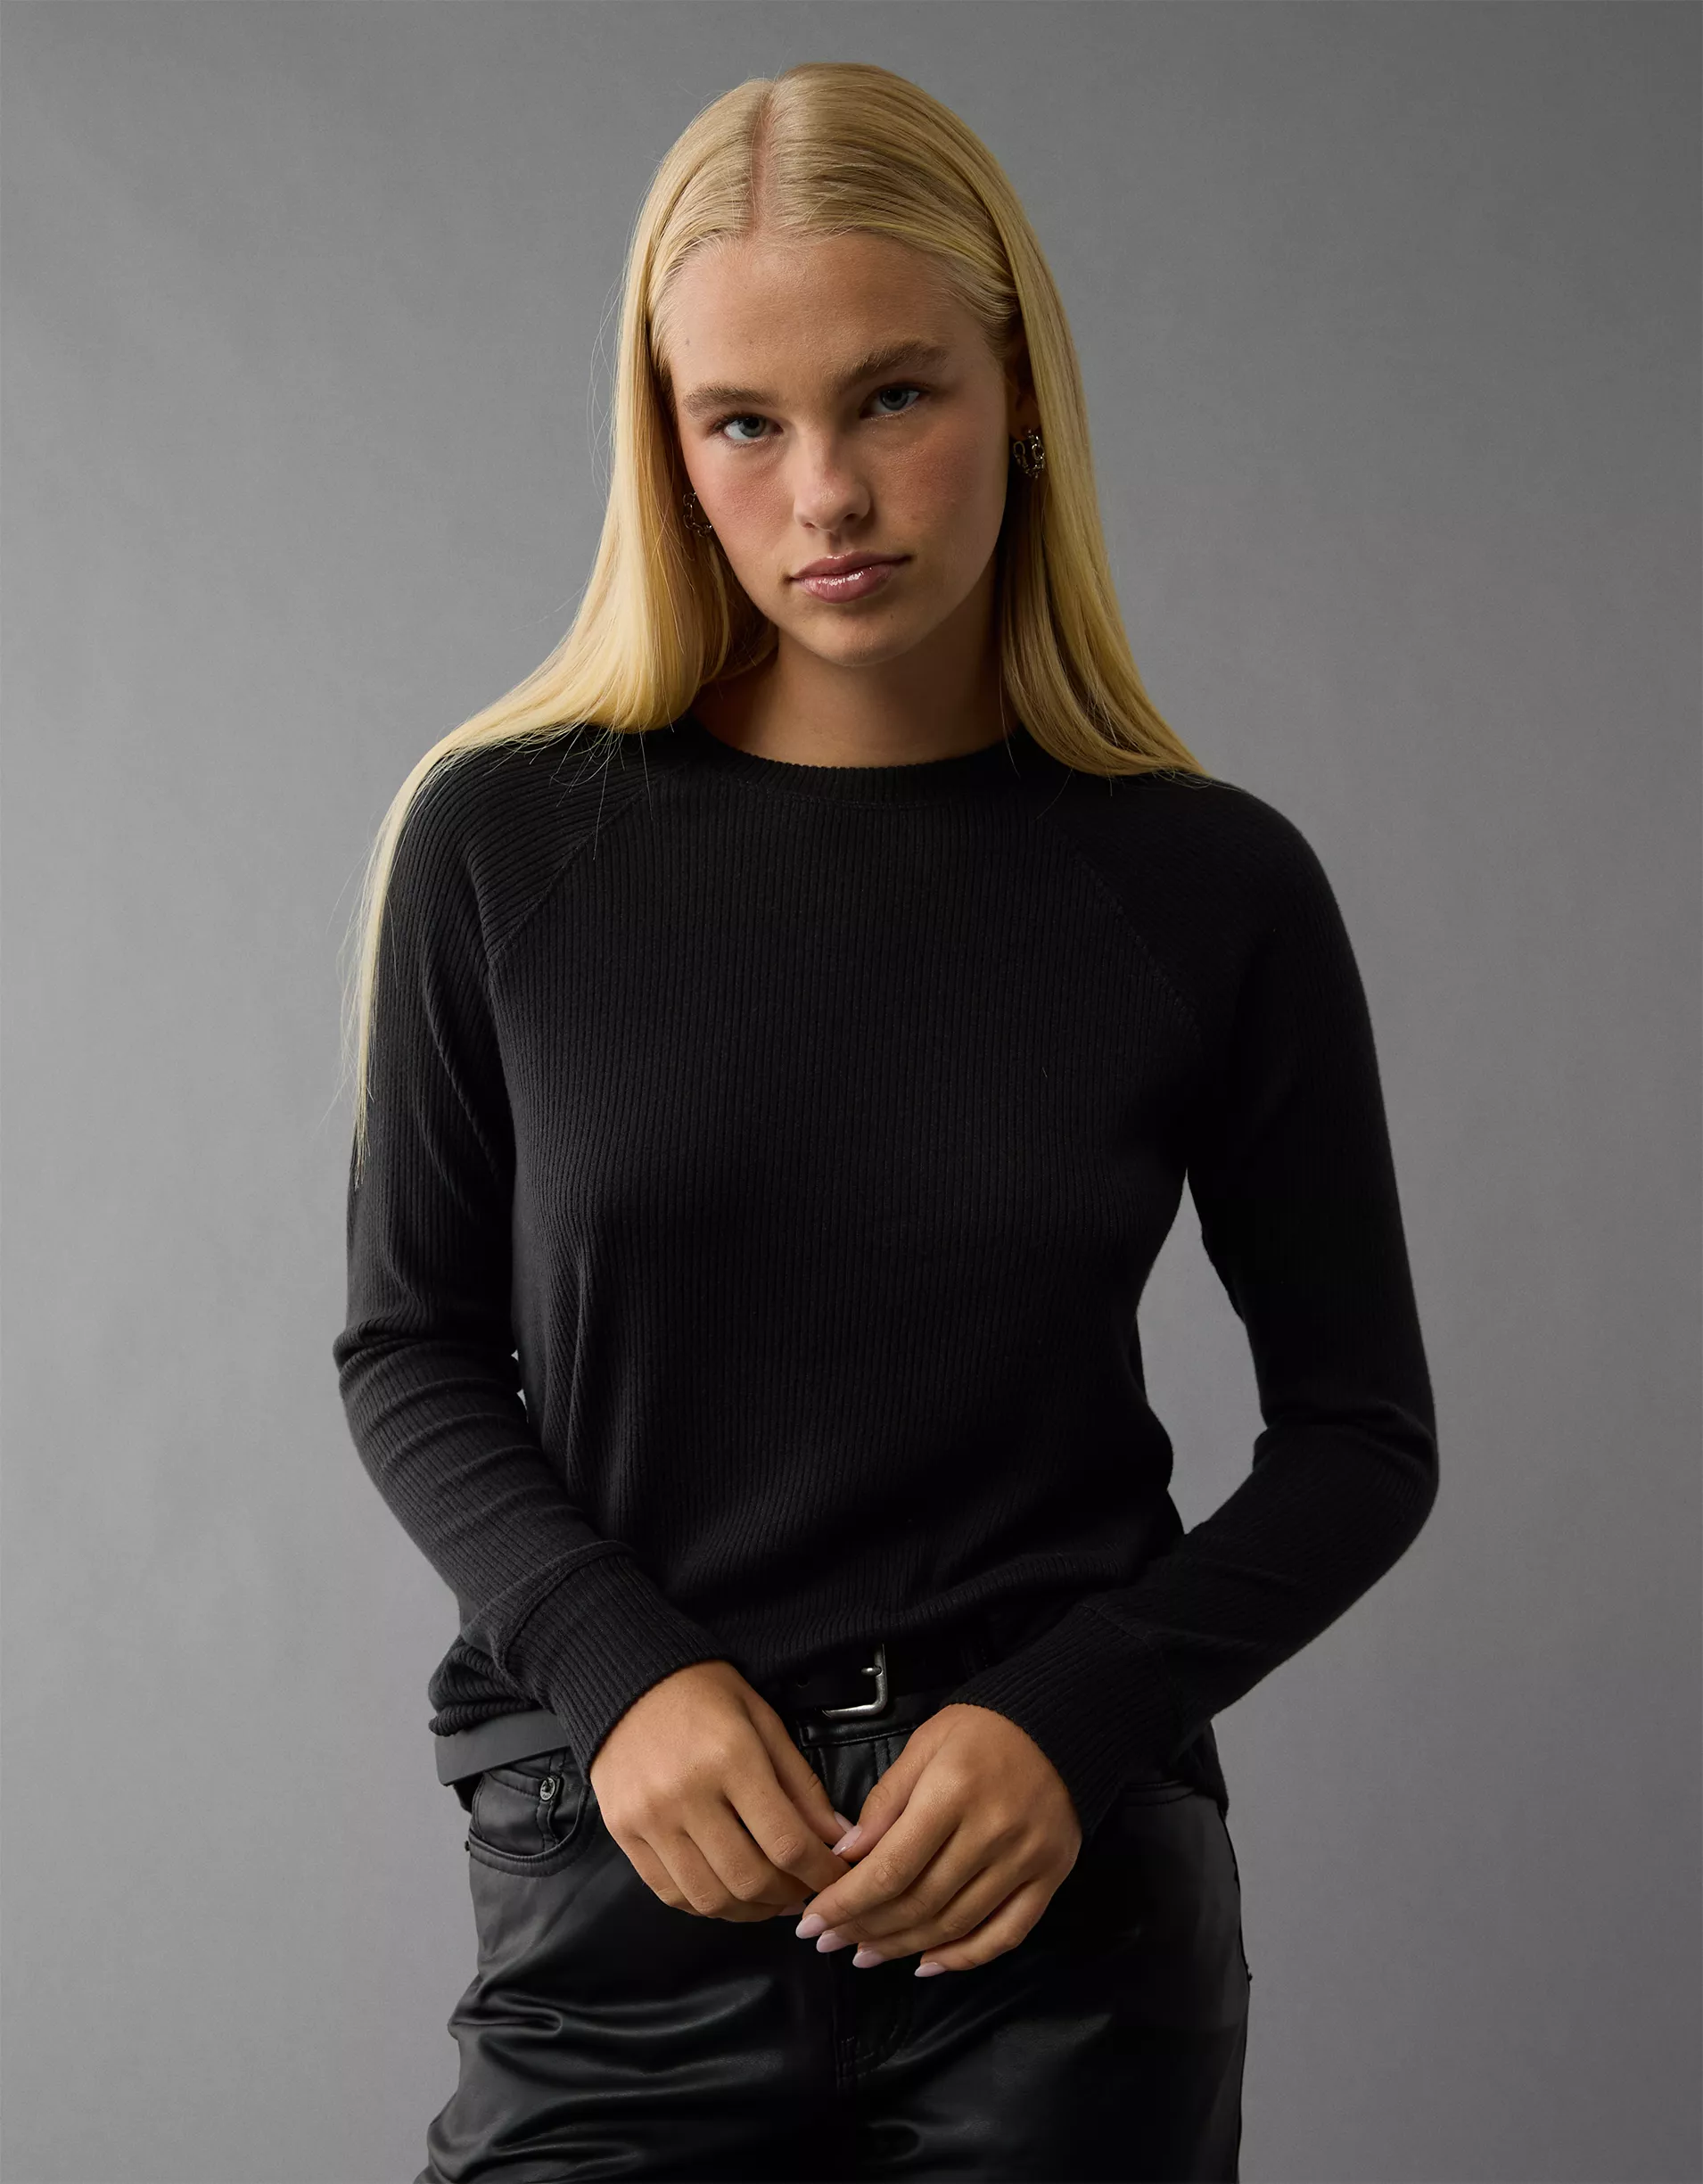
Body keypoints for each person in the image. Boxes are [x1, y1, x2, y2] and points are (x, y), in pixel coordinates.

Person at [332, 59, 1438, 2184]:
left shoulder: (1208, 886)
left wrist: (1072, 1717)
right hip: (622, 1891)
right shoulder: (506, 845)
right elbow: (410, 1347)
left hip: (1053, 1912)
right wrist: (620, 1672)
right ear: (668, 447)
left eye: (892, 397)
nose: (824, 492)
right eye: (742, 421)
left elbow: (1361, 1440)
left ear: (1019, 398)